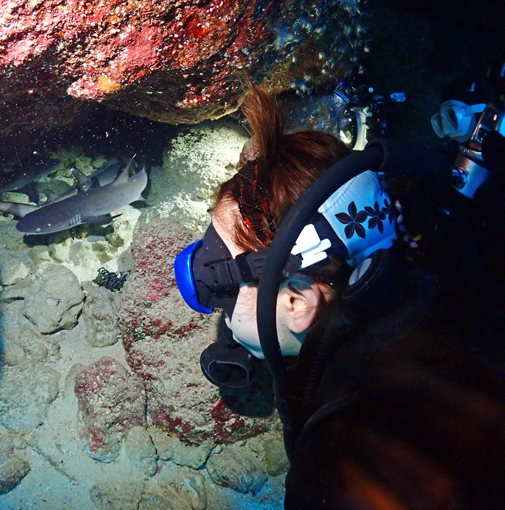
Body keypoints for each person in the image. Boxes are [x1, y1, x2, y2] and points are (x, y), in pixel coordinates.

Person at [174, 80, 505, 508]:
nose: (213, 305)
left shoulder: (340, 467)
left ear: (297, 301)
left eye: (214, 282)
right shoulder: (465, 262)